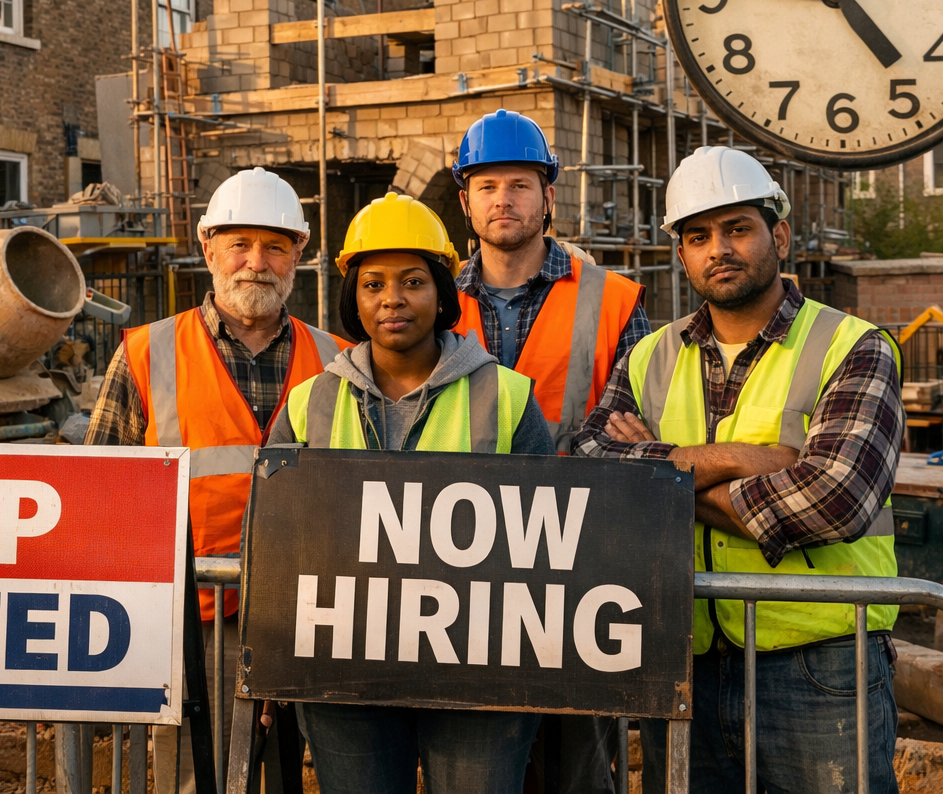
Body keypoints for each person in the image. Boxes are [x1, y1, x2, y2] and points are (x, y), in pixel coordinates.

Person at [574, 146, 902, 794]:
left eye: (737, 229)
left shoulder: (853, 346)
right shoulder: (649, 356)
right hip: (683, 658)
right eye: (698, 236)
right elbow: (593, 473)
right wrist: (735, 463)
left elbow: (834, 499)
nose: (718, 249)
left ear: (778, 235)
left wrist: (662, 479)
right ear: (681, 253)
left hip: (818, 665)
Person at [267, 192, 554, 794]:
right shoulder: (309, 403)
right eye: (373, 284)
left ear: (443, 293)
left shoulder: (510, 398)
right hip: (344, 672)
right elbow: (274, 544)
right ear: (354, 297)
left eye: (413, 281)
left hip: (481, 678)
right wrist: (269, 662)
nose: (392, 298)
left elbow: (546, 548)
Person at [85, 166, 349, 794]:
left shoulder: (339, 360)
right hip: (195, 622)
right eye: (240, 244)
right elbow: (101, 494)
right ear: (208, 249)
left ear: (299, 254)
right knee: (192, 780)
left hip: (313, 620)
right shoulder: (149, 353)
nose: (256, 262)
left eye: (275, 245)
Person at [452, 107, 650, 793]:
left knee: (580, 770)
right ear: (465, 201)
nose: (502, 199)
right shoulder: (428, 301)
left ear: (548, 197)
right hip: (459, 570)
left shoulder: (615, 299)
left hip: (582, 568)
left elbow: (637, 434)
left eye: (519, 184)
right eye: (486, 186)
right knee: (476, 766)